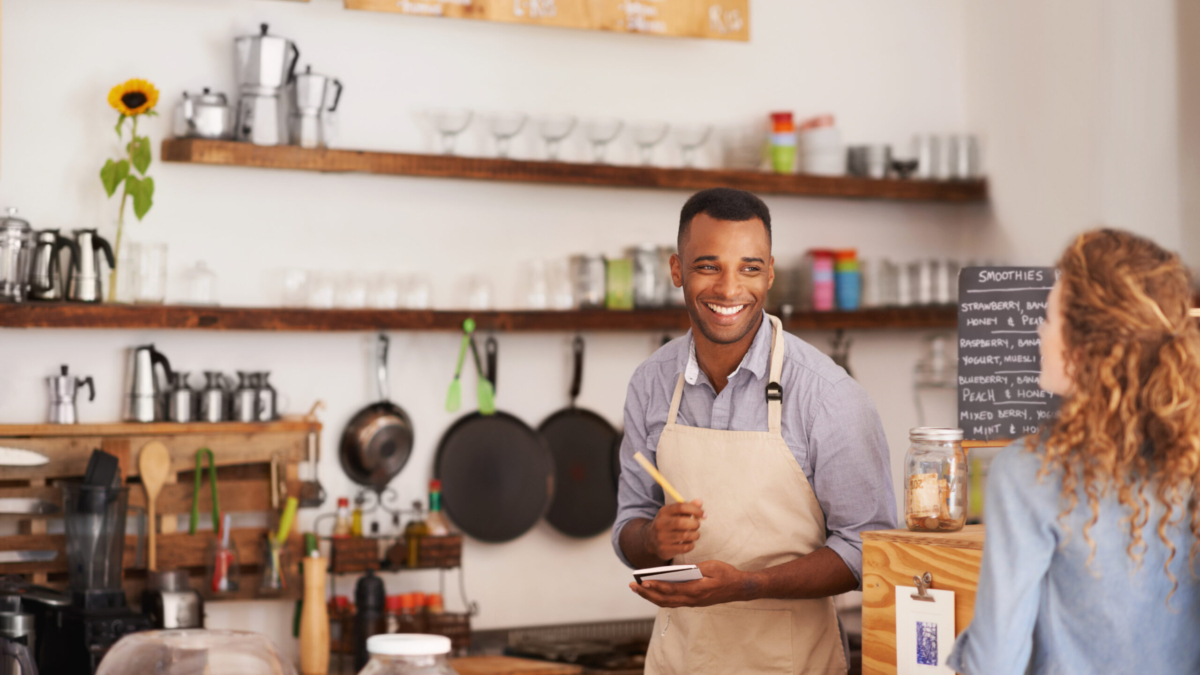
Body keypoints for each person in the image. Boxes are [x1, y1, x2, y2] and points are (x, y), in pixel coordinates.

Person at [613, 187, 896, 674]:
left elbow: (868, 549)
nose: (728, 289)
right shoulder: (651, 383)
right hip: (678, 662)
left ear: (768, 274)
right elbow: (628, 527)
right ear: (676, 269)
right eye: (708, 266)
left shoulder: (828, 395)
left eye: (748, 267)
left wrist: (749, 585)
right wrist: (652, 541)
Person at [948, 229, 1200, 674]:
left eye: (1050, 317)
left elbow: (994, 664)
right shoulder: (1190, 457)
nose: (1040, 331)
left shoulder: (1030, 472)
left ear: (1084, 349)